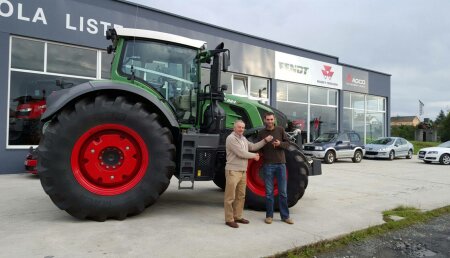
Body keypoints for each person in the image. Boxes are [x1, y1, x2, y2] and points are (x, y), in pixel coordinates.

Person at [224, 120, 273, 228]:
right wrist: (254, 156)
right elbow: (240, 153)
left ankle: (238, 216)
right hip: (233, 171)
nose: (241, 129)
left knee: (241, 196)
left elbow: (253, 147)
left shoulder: (243, 138)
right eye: (239, 127)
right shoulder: (231, 138)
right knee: (230, 197)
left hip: (242, 171)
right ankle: (229, 219)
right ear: (234, 128)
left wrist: (265, 140)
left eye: (243, 127)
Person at [257, 112, 294, 225]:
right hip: (268, 165)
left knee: (283, 193)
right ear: (264, 120)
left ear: (274, 120)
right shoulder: (261, 133)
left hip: (280, 165)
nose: (270, 121)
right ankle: (269, 216)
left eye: (271, 119)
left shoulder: (280, 130)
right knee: (269, 193)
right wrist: (260, 153)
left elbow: (288, 144)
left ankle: (285, 216)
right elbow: (259, 147)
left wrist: (280, 144)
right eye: (268, 119)